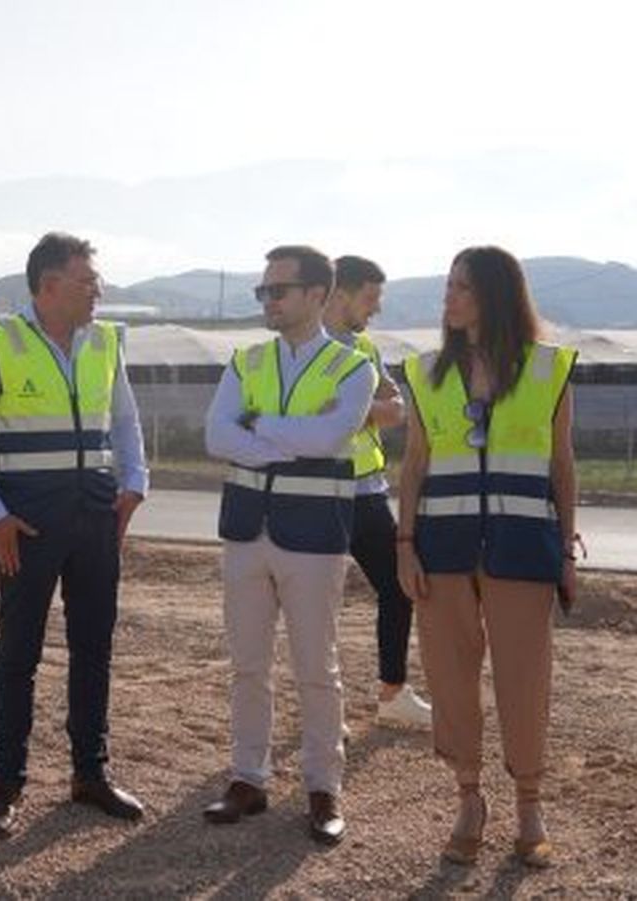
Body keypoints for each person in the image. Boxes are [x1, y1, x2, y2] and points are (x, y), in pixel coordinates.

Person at [0, 231, 149, 838]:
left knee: (94, 650)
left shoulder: (105, 341)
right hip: (27, 522)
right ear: (50, 286)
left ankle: (90, 773)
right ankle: (6, 787)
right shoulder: (1, 341)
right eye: (88, 281)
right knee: (19, 655)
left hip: (96, 516)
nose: (98, 290)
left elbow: (125, 421)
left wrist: (134, 483)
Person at [395, 245, 578, 870]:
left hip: (523, 546)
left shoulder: (549, 369)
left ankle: (530, 805)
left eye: (462, 287)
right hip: (441, 548)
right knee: (449, 678)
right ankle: (469, 799)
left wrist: (567, 550)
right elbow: (414, 465)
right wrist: (404, 545)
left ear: (496, 294)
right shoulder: (425, 373)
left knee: (525, 678)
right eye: (447, 285)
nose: (448, 298)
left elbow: (562, 466)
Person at [201, 245, 375, 846]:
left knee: (316, 668)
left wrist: (257, 424)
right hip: (247, 531)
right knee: (247, 665)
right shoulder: (246, 361)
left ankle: (323, 788)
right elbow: (215, 435)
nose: (268, 300)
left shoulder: (352, 368)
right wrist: (289, 438)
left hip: (314, 537)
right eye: (264, 291)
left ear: (317, 295)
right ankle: (247, 778)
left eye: (278, 290)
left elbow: (331, 438)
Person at [323, 255, 433, 729]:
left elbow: (397, 407)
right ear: (339, 294)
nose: (376, 309)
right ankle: (325, 707)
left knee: (398, 584)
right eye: (370, 298)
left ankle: (392, 693)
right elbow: (313, 412)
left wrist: (355, 409)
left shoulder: (365, 347)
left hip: (366, 492)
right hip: (318, 491)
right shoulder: (306, 347)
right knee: (318, 602)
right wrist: (370, 409)